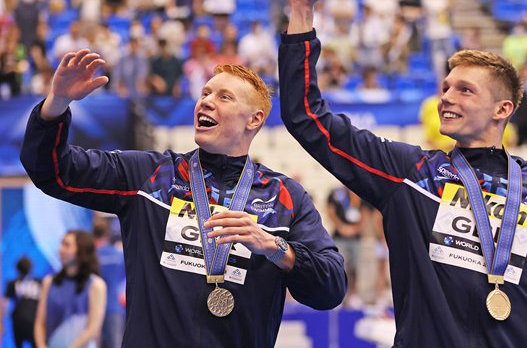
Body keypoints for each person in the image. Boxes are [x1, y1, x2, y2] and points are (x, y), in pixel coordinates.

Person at [279, 0, 527, 347]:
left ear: (503, 109)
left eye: (465, 90)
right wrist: (302, 10)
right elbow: (307, 117)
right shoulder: (411, 174)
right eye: (445, 88)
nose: (446, 97)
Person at [20, 49, 346, 347]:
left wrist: (274, 247)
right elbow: (53, 172)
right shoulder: (149, 176)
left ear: (254, 119)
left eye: (224, 97)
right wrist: (56, 106)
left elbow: (330, 288)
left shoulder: (284, 200)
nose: (205, 101)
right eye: (204, 93)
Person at [34, 230, 107, 348]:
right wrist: (42, 345)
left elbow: (93, 327)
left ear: (81, 251)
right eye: (61, 244)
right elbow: (40, 322)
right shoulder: (49, 282)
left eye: (67, 245)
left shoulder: (96, 285)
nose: (61, 249)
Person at [93, 216, 126, 348]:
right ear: (108, 233)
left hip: (92, 309)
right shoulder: (119, 255)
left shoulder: (90, 256)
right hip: (115, 308)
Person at [2, 256, 41, 348]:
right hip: (30, 322)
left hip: (26, 322)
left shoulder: (13, 283)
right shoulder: (39, 282)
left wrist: (2, 321)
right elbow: (4, 303)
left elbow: (4, 304)